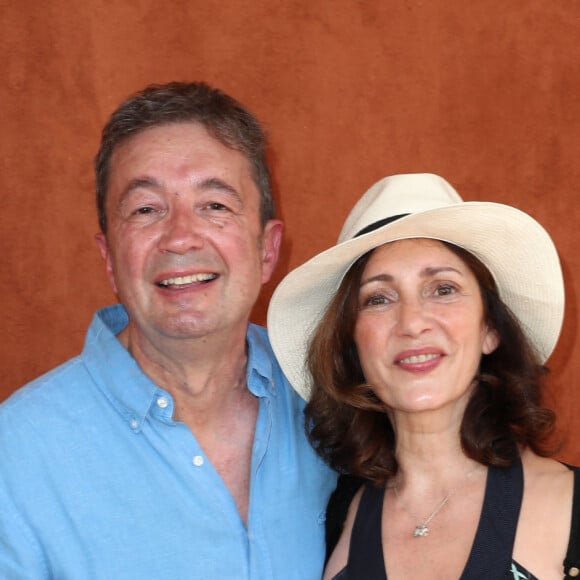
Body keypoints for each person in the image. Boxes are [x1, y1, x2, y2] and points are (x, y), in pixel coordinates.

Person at [0, 82, 336, 579]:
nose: (180, 237)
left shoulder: (335, 403)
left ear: (268, 250)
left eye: (215, 205)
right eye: (146, 210)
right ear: (110, 259)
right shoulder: (15, 456)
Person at [267, 173, 580, 579]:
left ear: (491, 329)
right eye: (379, 298)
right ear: (352, 346)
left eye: (443, 289)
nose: (412, 323)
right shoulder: (330, 521)